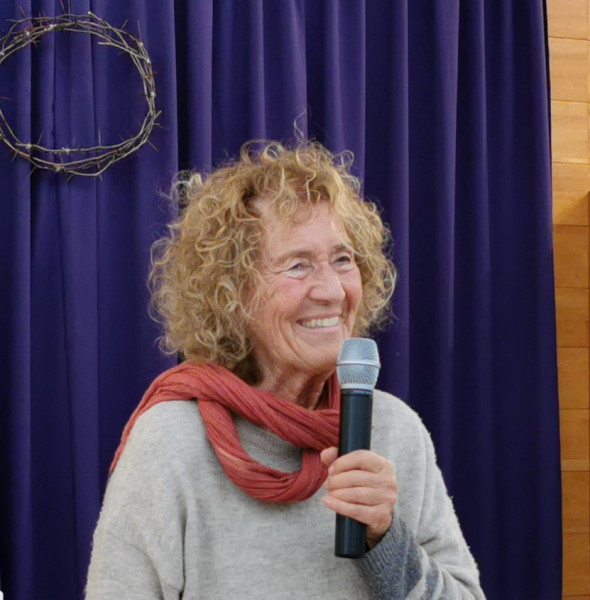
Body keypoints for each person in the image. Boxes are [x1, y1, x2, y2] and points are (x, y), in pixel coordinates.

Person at [85, 140, 485, 599]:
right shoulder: (170, 442)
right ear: (232, 293)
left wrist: (386, 539)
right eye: (298, 265)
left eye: (343, 259)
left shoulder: (395, 431)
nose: (332, 291)